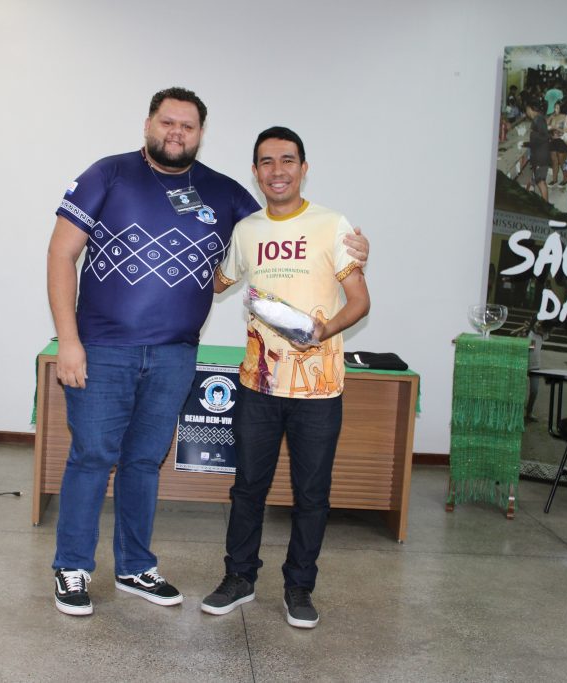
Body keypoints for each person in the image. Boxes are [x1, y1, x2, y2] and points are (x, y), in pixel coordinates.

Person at [45, 87, 372, 617]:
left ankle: (134, 566)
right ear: (148, 124)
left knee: (144, 461)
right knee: (92, 456)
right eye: (167, 122)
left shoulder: (222, 192)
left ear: (201, 133)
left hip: (175, 355)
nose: (176, 133)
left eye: (188, 126)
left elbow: (280, 226)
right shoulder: (108, 174)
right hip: (103, 349)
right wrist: (69, 340)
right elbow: (61, 255)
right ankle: (72, 567)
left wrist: (352, 250)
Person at [200, 127, 370, 629]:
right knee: (247, 488)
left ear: (303, 168)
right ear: (256, 172)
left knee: (311, 494)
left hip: (319, 389)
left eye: (288, 160)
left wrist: (323, 330)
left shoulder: (333, 225)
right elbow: (215, 282)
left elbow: (360, 301)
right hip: (259, 384)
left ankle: (299, 587)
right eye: (267, 162)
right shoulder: (246, 230)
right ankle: (239, 577)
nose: (278, 171)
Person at [523, 99, 551, 202]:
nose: (526, 112)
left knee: (540, 181)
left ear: (530, 109)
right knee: (538, 179)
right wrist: (526, 143)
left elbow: (544, 137)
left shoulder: (537, 120)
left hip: (540, 155)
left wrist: (527, 141)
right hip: (540, 153)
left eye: (527, 109)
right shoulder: (538, 118)